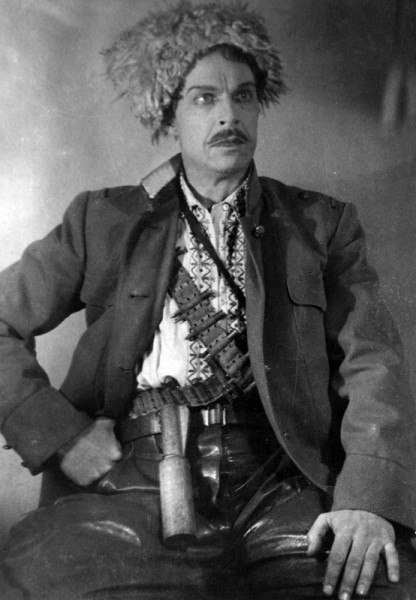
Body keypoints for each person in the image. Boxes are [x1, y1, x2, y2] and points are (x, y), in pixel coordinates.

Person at [0, 1, 415, 599]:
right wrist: (61, 436)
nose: (228, 115)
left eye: (243, 96)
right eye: (203, 98)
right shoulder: (103, 220)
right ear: (167, 114)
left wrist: (367, 499)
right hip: (133, 485)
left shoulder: (320, 225)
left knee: (384, 585)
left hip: (287, 482)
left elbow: (373, 364)